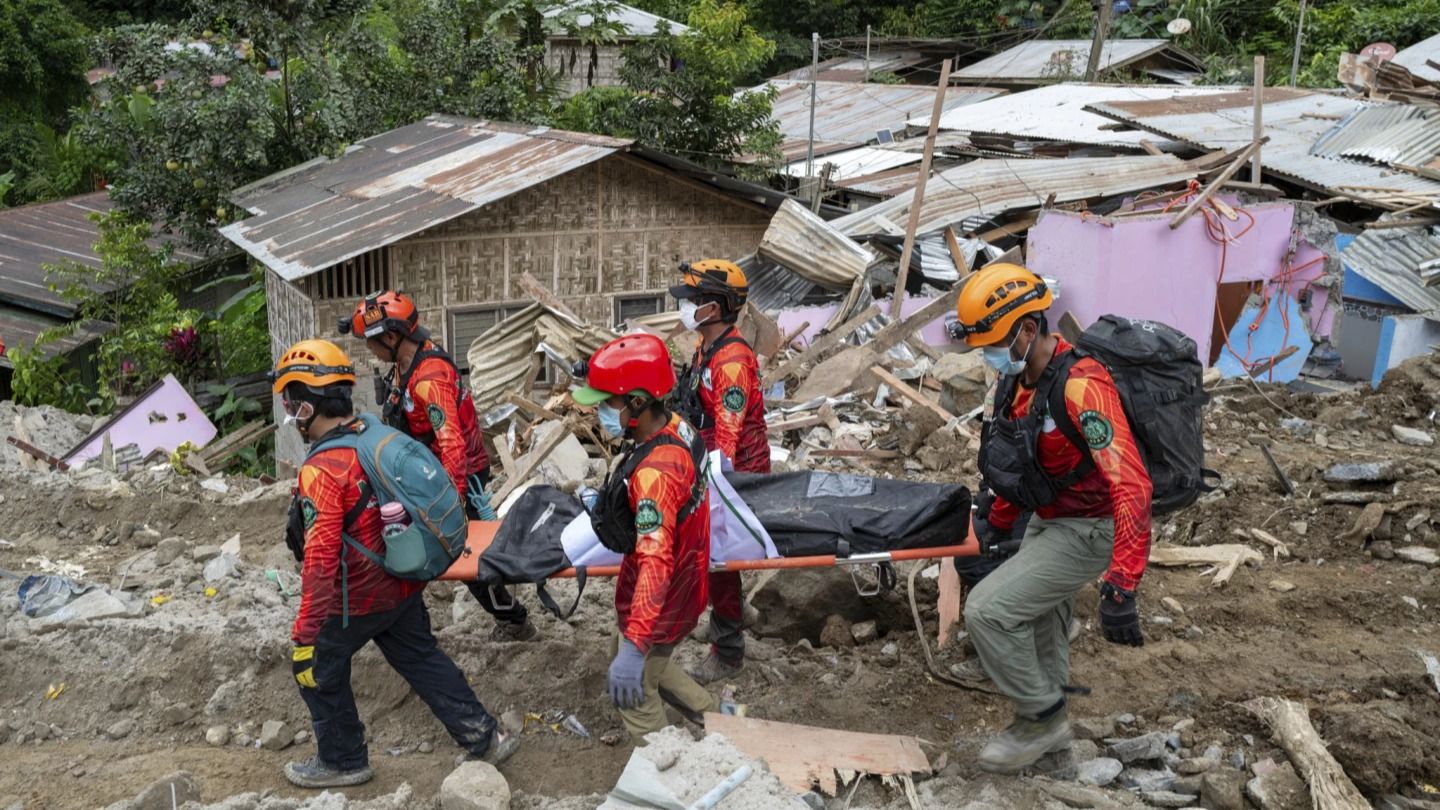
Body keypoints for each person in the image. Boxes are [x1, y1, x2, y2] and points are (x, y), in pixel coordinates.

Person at [271, 339, 518, 788]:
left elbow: (322, 560)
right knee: (420, 656)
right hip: (401, 581)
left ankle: (343, 760)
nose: (289, 412)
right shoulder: (373, 433)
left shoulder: (323, 469)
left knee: (315, 668)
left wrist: (305, 634)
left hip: (356, 598)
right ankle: (486, 736)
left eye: (290, 401)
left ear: (305, 406)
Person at [950, 263, 1152, 774]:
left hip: (1090, 528)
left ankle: (1041, 719)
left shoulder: (1083, 387)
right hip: (1048, 518)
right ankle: (1056, 753)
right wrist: (996, 522)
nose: (990, 357)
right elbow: (1029, 466)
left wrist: (1122, 584)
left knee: (988, 611)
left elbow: (1131, 486)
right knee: (1041, 622)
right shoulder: (1017, 385)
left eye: (995, 343)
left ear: (1027, 329)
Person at [340, 291, 536, 642]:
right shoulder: (407, 361)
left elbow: (452, 444)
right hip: (429, 472)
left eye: (371, 343)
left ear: (391, 336)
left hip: (455, 476)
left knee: (465, 559)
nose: (369, 351)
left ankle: (514, 620)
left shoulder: (429, 380)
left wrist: (451, 503)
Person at [570, 333, 720, 738]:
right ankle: (717, 715)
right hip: (684, 580)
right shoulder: (676, 427)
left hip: (662, 596)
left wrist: (637, 643)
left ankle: (671, 776)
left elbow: (656, 561)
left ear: (637, 403)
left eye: (607, 403)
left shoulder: (655, 473)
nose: (599, 411)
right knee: (637, 657)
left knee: (635, 690)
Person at [667, 260, 768, 684]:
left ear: (715, 307)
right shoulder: (706, 348)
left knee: (717, 557)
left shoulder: (730, 363)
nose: (686, 307)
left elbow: (727, 434)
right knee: (713, 557)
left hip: (735, 471)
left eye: (693, 300)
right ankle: (734, 611)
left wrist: (710, 482)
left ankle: (728, 651)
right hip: (713, 461)